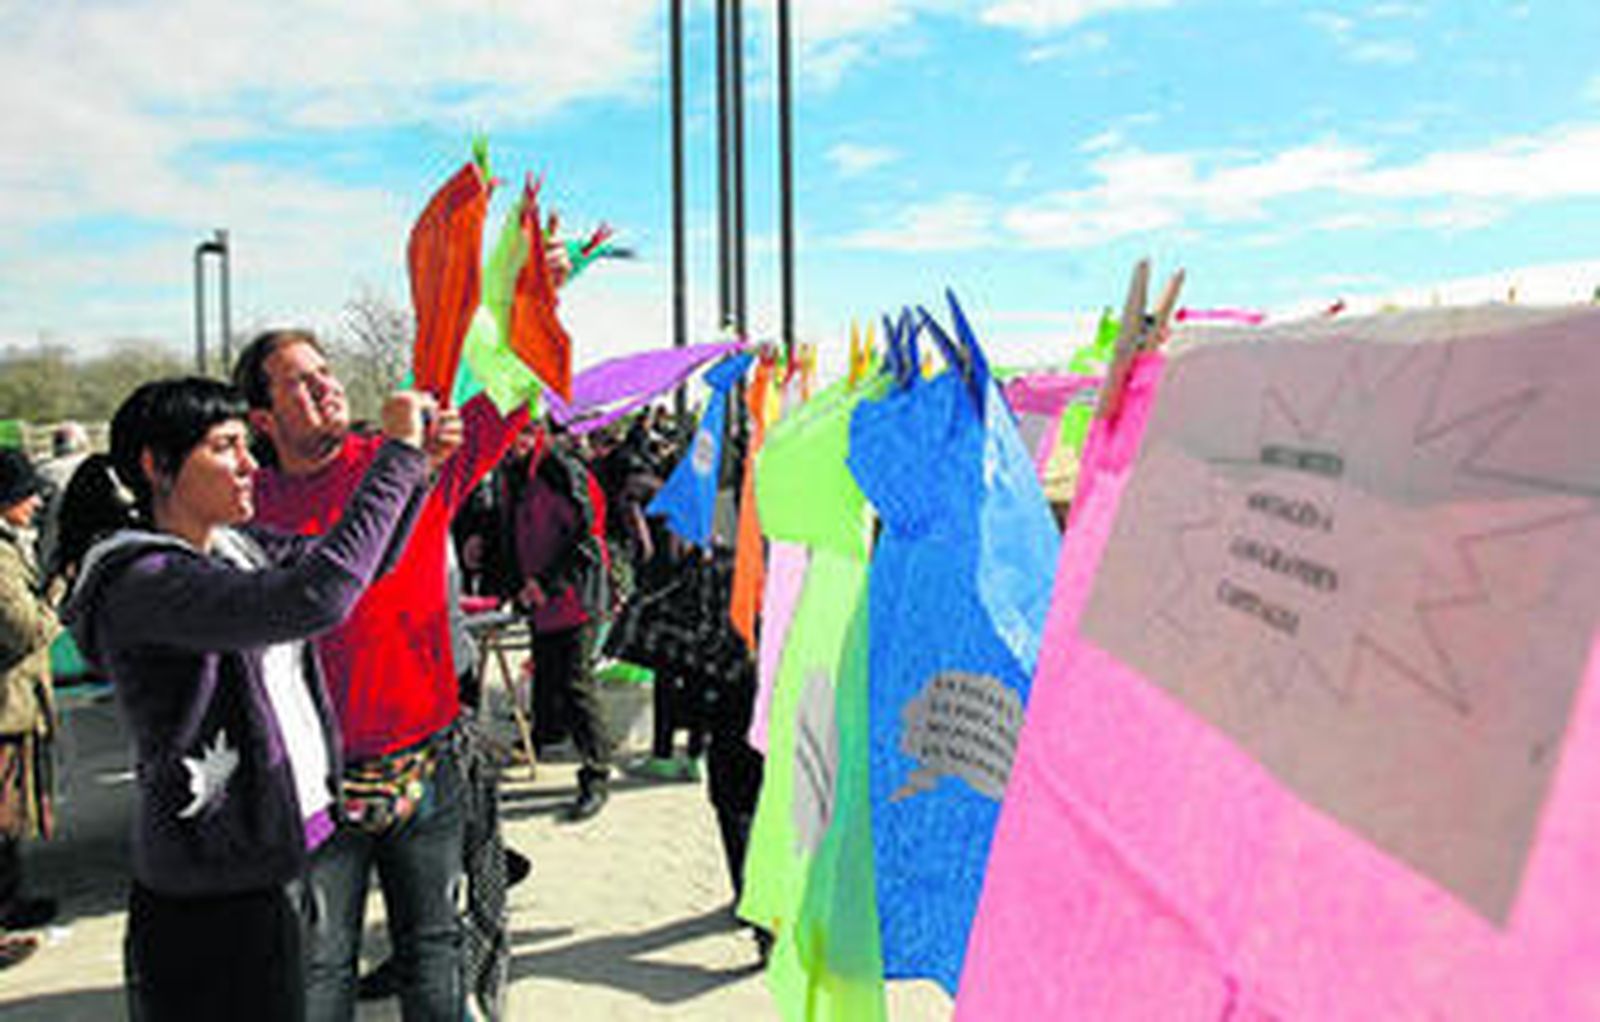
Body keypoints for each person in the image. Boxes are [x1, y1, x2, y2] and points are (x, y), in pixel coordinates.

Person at [60, 377, 433, 1020]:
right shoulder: (145, 581)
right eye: (226, 446)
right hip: (211, 886)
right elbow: (316, 598)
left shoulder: (237, 550)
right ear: (157, 466)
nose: (249, 465)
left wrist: (420, 467)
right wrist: (395, 457)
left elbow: (357, 568)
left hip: (280, 854)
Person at [234, 327, 525, 1021]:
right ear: (262, 420)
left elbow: (512, 388)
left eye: (326, 372)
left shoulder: (417, 460)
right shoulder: (247, 508)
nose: (325, 387)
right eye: (299, 382)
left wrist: (532, 294)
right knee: (319, 963)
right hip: (309, 783)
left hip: (425, 764)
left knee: (432, 949)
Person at [507, 420, 615, 822]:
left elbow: (586, 541)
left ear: (538, 434)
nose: (513, 444)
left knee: (575, 684)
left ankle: (597, 773)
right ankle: (546, 736)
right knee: (548, 675)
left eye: (521, 434)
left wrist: (548, 584)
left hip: (575, 597)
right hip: (540, 600)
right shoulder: (517, 473)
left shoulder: (564, 471)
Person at [0, 447, 60, 971]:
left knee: (10, 817)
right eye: (26, 494)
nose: (37, 501)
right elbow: (25, 629)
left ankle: (9, 902)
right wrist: (57, 595)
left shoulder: (12, 545)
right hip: (4, 709)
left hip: (15, 706)